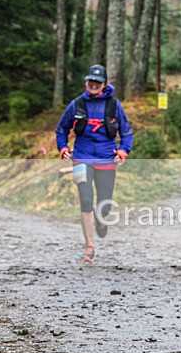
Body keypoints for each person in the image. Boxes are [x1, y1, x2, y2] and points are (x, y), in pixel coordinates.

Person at [56, 64, 133, 262]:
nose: (94, 84)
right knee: (86, 199)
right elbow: (61, 129)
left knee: (104, 204)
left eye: (98, 82)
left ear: (104, 84)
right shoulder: (76, 104)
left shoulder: (114, 106)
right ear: (86, 82)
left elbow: (126, 132)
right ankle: (89, 246)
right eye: (91, 81)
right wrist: (63, 147)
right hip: (82, 156)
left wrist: (123, 151)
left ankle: (101, 220)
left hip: (107, 158)